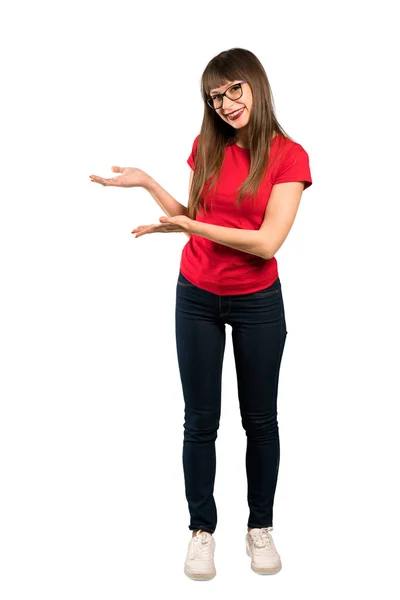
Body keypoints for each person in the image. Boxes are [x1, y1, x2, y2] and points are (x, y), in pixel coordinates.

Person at [89, 47, 312, 581]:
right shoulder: (206, 146)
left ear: (256, 85)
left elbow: (265, 242)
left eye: (235, 89)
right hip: (195, 293)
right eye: (216, 96)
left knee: (260, 420)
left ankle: (260, 527)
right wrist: (148, 184)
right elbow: (196, 218)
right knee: (200, 421)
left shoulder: (289, 156)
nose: (226, 103)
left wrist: (192, 229)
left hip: (257, 300)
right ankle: (201, 531)